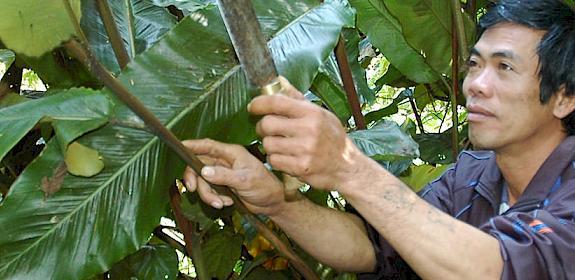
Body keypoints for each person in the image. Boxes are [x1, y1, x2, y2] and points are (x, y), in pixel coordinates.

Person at [182, 0, 575, 278]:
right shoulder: (471, 177)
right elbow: (372, 249)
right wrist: (277, 203)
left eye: (504, 67)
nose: (476, 84)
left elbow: (497, 269)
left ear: (564, 97)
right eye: (474, 64)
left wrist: (346, 165)